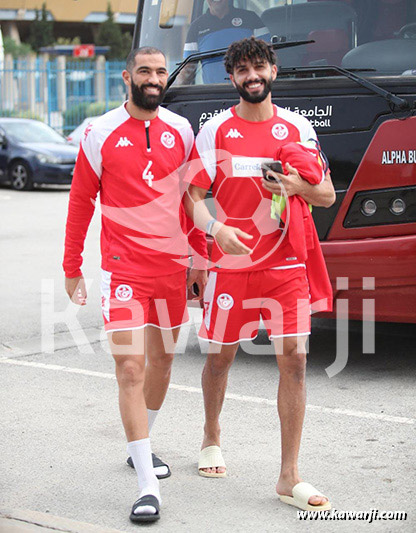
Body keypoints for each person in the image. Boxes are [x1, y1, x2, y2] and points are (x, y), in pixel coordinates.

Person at [184, 37, 336, 512]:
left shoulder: (297, 128)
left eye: (259, 66)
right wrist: (214, 233)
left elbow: (326, 194)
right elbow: (192, 196)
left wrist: (294, 185)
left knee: (295, 362)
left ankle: (288, 475)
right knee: (219, 360)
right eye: (242, 69)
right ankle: (211, 434)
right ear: (232, 78)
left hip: (287, 263)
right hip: (233, 263)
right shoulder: (214, 131)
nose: (252, 75)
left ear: (274, 70)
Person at [63, 46, 207, 523]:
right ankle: (147, 487)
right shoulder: (99, 132)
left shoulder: (181, 130)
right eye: (144, 70)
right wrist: (72, 265)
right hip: (124, 271)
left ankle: (139, 446)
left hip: (171, 270)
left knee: (163, 361)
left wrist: (198, 260)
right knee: (130, 368)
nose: (153, 78)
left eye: (161, 71)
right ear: (127, 76)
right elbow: (81, 202)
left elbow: (190, 201)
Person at [179, 0, 270, 84]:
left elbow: (268, 57)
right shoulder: (195, 28)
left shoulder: (251, 19)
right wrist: (170, 91)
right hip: (215, 95)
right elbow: (188, 70)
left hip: (249, 91)